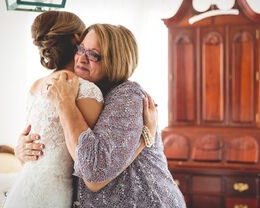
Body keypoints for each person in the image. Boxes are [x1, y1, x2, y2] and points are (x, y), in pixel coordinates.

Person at [18, 23, 186, 207]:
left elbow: (93, 173)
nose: (81, 58)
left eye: (94, 55)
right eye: (80, 49)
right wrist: (22, 150)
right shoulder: (84, 92)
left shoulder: (128, 95)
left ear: (116, 61)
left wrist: (64, 103)